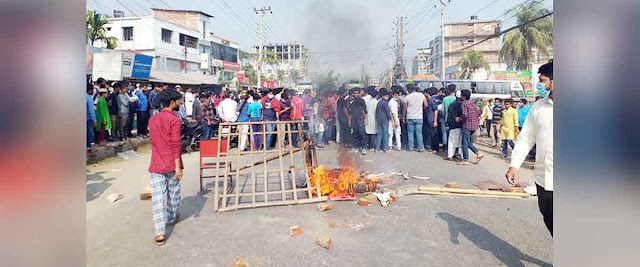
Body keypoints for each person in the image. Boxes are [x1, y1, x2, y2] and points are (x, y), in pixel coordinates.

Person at [506, 61, 553, 236]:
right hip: (544, 178)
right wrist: (514, 165)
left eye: (543, 80)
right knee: (549, 218)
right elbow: (526, 138)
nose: (540, 84)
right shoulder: (539, 107)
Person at [147, 89, 184, 246]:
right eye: (179, 101)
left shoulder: (153, 119)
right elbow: (175, 144)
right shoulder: (175, 120)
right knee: (174, 194)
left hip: (156, 163)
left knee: (158, 199)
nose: (180, 103)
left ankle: (159, 233)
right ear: (172, 102)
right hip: (171, 163)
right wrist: (178, 166)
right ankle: (171, 216)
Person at [458, 90, 485, 165]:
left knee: (464, 143)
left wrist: (459, 118)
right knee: (468, 142)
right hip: (474, 125)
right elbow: (479, 114)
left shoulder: (464, 104)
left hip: (467, 125)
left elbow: (464, 115)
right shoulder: (473, 104)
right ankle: (478, 153)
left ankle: (466, 159)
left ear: (463, 96)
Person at [402, 84, 428, 153]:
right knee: (419, 133)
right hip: (419, 117)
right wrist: (421, 109)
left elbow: (405, 108)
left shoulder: (407, 97)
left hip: (410, 116)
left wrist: (404, 117)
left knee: (410, 133)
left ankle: (411, 147)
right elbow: (426, 105)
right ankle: (420, 147)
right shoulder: (421, 95)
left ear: (409, 90)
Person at [443, 94, 463, 161]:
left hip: (454, 125)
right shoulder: (464, 105)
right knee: (461, 141)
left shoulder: (452, 105)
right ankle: (462, 156)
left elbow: (449, 115)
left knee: (451, 141)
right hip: (463, 125)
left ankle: (450, 155)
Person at [348, 88, 367, 155]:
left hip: (360, 119)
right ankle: (355, 147)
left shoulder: (362, 101)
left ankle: (363, 148)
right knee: (355, 134)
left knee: (362, 133)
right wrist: (349, 121)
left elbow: (365, 111)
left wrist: (365, 119)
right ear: (353, 94)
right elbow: (350, 112)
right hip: (354, 120)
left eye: (357, 93)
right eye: (355, 93)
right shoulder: (351, 102)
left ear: (359, 93)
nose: (356, 94)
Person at [375, 89, 392, 153]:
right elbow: (388, 113)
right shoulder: (385, 103)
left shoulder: (379, 102)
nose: (387, 98)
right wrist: (390, 118)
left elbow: (376, 112)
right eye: (386, 96)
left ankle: (377, 148)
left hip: (379, 120)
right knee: (385, 134)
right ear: (383, 96)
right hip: (385, 120)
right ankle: (386, 148)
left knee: (379, 134)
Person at [364, 87, 378, 151]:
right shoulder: (376, 102)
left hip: (368, 118)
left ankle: (367, 145)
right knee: (373, 133)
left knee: (368, 132)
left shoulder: (368, 102)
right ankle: (371, 146)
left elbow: (366, 110)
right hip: (374, 118)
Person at [426, 87, 440, 153]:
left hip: (432, 119)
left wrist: (435, 121)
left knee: (434, 134)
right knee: (433, 134)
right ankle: (433, 147)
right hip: (432, 119)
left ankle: (435, 148)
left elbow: (435, 110)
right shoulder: (436, 99)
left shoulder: (432, 100)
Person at [86, 84, 97, 157]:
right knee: (89, 134)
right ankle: (88, 149)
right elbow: (91, 111)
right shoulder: (89, 98)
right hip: (88, 119)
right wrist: (94, 120)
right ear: (90, 90)